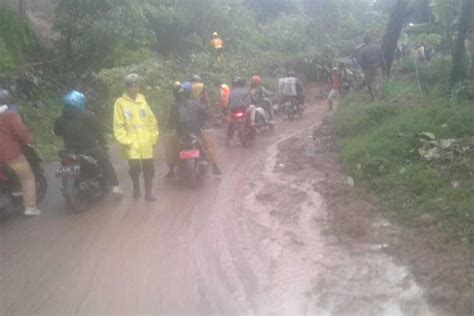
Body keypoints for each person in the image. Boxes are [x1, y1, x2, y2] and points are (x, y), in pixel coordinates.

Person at [54, 91, 124, 196]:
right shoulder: (87, 115)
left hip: (69, 151)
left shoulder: (59, 119)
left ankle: (67, 188)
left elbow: (57, 132)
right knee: (105, 161)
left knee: (65, 165)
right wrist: (102, 142)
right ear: (78, 102)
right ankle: (115, 186)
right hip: (89, 148)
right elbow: (98, 131)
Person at [113, 74, 159, 201]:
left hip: (146, 143)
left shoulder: (143, 101)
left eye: (136, 85)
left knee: (148, 169)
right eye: (131, 86)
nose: (134, 88)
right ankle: (136, 188)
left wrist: (153, 138)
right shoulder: (120, 103)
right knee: (134, 169)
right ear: (127, 88)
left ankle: (148, 193)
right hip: (132, 144)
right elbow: (118, 125)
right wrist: (125, 141)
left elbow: (152, 121)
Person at [167, 82, 222, 177]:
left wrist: (170, 126)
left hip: (181, 134)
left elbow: (170, 122)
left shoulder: (174, 106)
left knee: (171, 147)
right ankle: (214, 166)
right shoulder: (195, 103)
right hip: (196, 132)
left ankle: (171, 171)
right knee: (208, 144)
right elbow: (205, 114)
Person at [0, 89, 40, 216]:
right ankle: (30, 208)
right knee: (28, 178)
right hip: (9, 155)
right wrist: (28, 139)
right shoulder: (10, 114)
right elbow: (20, 132)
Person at [226, 77, 256, 146]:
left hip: (233, 111)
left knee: (231, 124)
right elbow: (248, 103)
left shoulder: (231, 93)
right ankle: (252, 122)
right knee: (253, 107)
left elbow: (229, 104)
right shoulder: (246, 91)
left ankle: (228, 139)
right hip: (243, 110)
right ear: (243, 84)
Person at [358, 35, 386, 102]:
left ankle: (372, 97)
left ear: (364, 42)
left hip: (368, 69)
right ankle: (377, 98)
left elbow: (360, 61)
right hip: (377, 68)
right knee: (377, 83)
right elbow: (382, 59)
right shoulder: (378, 47)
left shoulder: (362, 50)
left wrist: (364, 69)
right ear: (371, 40)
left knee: (369, 83)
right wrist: (384, 68)